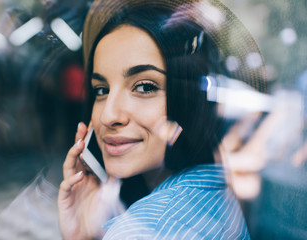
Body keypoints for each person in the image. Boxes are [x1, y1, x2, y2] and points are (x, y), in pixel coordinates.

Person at [57, 0, 264, 239]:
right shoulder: (212, 187)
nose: (108, 115)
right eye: (101, 90)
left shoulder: (144, 229)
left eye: (144, 87)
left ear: (187, 101)